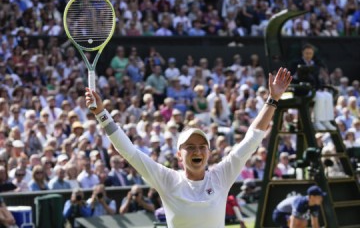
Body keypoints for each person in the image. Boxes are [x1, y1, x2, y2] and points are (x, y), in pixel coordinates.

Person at [85, 68, 292, 227]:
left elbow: (252, 139)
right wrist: (102, 114)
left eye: (202, 146)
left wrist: (272, 100)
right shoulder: (168, 179)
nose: (197, 151)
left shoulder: (222, 175)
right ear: (178, 155)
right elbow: (128, 151)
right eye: (190, 147)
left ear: (209, 153)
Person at [290, 44, 336, 131]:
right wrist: (298, 72)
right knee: (320, 96)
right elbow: (291, 77)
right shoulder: (296, 63)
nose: (308, 55)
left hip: (314, 89)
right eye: (307, 53)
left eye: (310, 53)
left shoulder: (316, 64)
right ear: (302, 53)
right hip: (302, 91)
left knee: (328, 95)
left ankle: (326, 121)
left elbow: (317, 79)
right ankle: (317, 121)